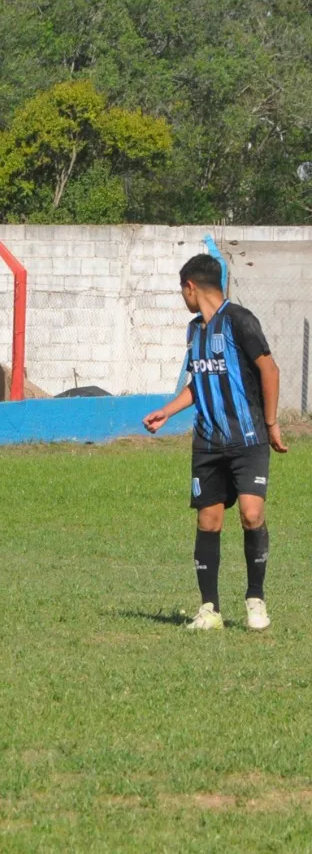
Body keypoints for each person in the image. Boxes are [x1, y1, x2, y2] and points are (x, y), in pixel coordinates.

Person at [143, 254, 288, 631]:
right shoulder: (194, 331)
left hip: (248, 438)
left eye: (182, 290)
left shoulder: (240, 320)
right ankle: (209, 609)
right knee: (209, 521)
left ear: (191, 286)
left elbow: (270, 370)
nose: (183, 297)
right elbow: (199, 383)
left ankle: (255, 600)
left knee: (251, 514)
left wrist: (271, 423)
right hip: (208, 443)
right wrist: (167, 411)